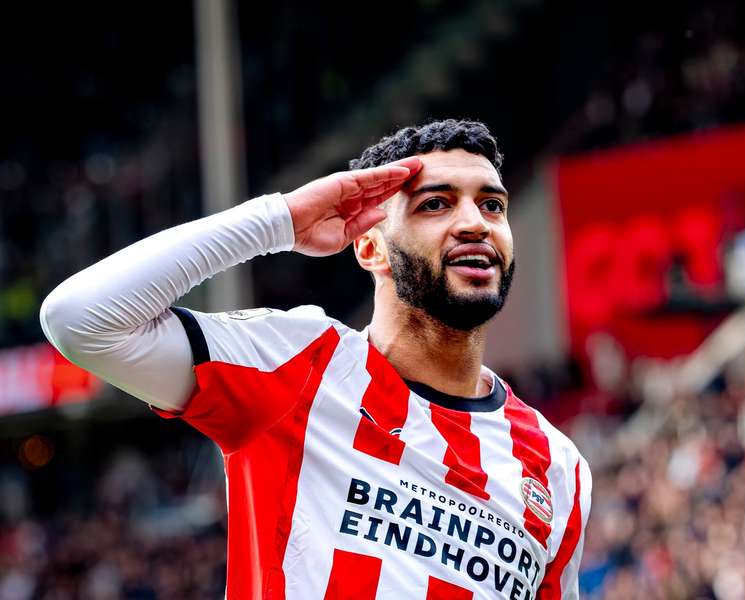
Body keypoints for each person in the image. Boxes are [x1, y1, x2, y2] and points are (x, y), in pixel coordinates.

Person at [40, 119, 591, 599]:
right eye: (435, 203)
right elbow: (80, 318)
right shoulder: (302, 364)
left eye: (492, 204)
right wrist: (279, 221)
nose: (475, 222)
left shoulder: (559, 469)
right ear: (371, 247)